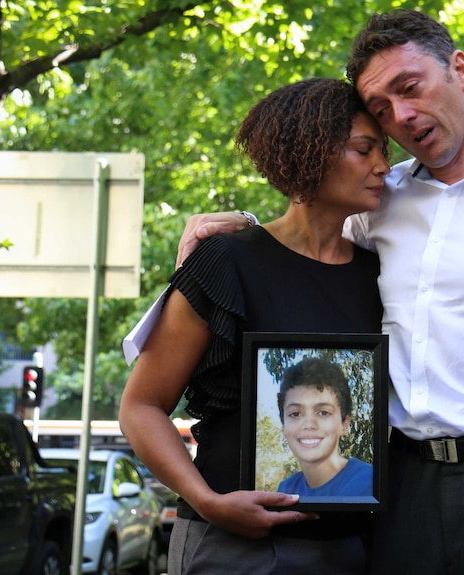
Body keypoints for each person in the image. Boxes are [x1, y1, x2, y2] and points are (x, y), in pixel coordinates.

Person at [129, 9, 464, 575]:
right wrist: (239, 227)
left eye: (409, 88)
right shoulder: (382, 203)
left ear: (459, 68)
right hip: (401, 492)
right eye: (381, 109)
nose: (401, 117)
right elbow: (305, 238)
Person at [119, 77, 390, 574]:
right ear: (310, 152)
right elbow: (141, 406)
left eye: (383, 151)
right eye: (363, 149)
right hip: (231, 546)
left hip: (353, 547)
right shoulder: (225, 262)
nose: (383, 166)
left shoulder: (381, 276)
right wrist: (205, 500)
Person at [276, 357, 373, 498]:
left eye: (323, 413)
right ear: (284, 428)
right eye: (295, 414)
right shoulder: (286, 489)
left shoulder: (367, 481)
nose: (309, 424)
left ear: (344, 424)